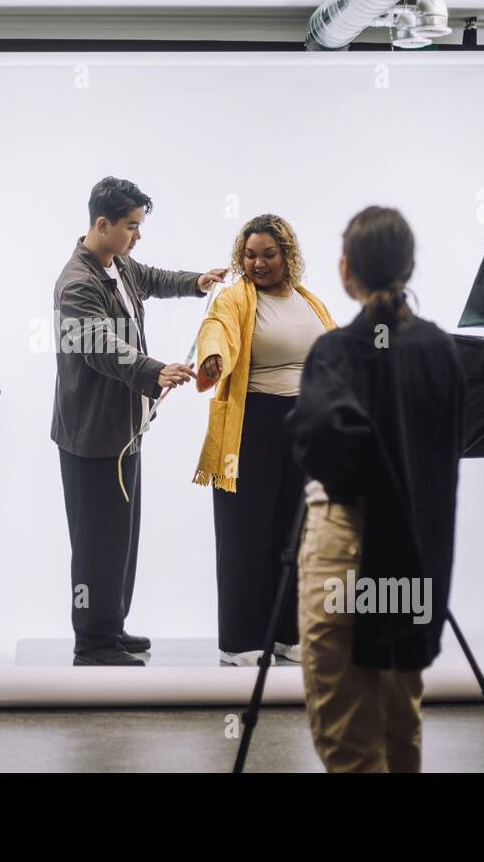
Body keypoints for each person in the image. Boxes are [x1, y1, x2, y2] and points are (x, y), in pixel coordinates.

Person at [286, 206, 465, 772]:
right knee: (399, 726)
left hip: (348, 546)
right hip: (413, 551)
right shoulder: (442, 350)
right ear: (408, 267)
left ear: (346, 271)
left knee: (349, 741)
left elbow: (323, 452)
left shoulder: (336, 352)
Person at [51, 176, 226, 666]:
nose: (137, 236)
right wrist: (156, 372)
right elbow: (99, 347)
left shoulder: (118, 263)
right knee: (95, 542)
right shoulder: (77, 284)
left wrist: (197, 283)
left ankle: (112, 626)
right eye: (131, 226)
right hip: (91, 436)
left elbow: (153, 278)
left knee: (120, 536)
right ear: (101, 224)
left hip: (124, 431)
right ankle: (92, 643)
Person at [192, 214, 336, 666]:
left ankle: (287, 634)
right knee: (245, 533)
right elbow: (215, 328)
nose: (258, 263)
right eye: (250, 255)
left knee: (297, 532)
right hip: (252, 425)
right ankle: (241, 641)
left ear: (287, 255)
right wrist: (213, 358)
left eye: (268, 254)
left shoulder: (309, 301)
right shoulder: (236, 299)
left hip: (306, 425)